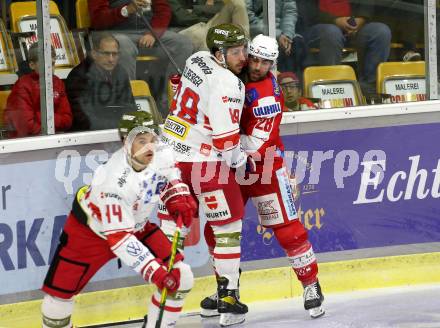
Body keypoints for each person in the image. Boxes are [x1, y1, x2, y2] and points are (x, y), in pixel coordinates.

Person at [201, 35, 325, 320]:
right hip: (231, 164)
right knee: (217, 230)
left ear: (273, 63)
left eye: (264, 61)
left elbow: (257, 143)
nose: (257, 65)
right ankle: (227, 289)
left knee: (287, 229)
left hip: (262, 165)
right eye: (253, 58)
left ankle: (311, 285)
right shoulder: (231, 73)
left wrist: (227, 144)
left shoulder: (268, 93)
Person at [41, 111, 198, 328]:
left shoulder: (161, 153)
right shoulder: (113, 181)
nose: (150, 146)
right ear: (126, 141)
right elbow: (120, 240)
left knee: (182, 277)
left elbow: (171, 175)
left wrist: (178, 196)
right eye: (141, 140)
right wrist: (156, 272)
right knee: (57, 302)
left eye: (152, 138)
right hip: (88, 234)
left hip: (136, 226)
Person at [159, 23, 252, 326]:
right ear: (219, 54)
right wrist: (241, 162)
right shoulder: (230, 85)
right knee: (227, 230)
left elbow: (179, 89)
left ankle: (164, 306)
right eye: (235, 52)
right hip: (206, 165)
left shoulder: (194, 60)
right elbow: (226, 144)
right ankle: (228, 300)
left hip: (170, 162)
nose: (243, 57)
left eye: (243, 49)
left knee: (172, 235)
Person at [88, 0, 193, 112]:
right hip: (114, 33)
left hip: (146, 32)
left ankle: (169, 104)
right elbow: (97, 20)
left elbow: (163, 11)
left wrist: (153, 33)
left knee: (183, 44)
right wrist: (125, 11)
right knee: (123, 45)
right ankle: (130, 103)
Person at [297, 0, 391, 95]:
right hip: (319, 25)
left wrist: (360, 19)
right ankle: (333, 89)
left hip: (354, 24)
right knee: (332, 33)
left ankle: (370, 89)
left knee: (380, 32)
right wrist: (335, 20)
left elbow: (366, 5)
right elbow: (306, 10)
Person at [65, 32, 137, 131]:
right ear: (94, 54)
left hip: (118, 132)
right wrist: (118, 126)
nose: (111, 59)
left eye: (115, 54)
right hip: (89, 137)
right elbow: (83, 119)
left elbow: (130, 107)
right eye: (106, 54)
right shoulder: (79, 76)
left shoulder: (121, 72)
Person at [4, 42, 72, 137]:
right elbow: (26, 126)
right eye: (45, 64)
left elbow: (67, 120)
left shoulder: (57, 83)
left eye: (52, 64)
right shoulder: (22, 86)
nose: (50, 69)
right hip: (26, 144)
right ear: (32, 65)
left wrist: (40, 116)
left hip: (54, 139)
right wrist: (51, 131)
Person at [168, 0, 249, 51]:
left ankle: (245, 45)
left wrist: (194, 9)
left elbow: (219, 7)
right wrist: (205, 13)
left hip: (207, 24)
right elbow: (181, 17)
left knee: (237, 2)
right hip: (189, 30)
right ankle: (240, 48)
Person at [246, 0, 299, 72]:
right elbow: (248, 15)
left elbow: (289, 12)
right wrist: (277, 35)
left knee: (296, 44)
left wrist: (287, 35)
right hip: (257, 30)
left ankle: (286, 80)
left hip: (281, 31)